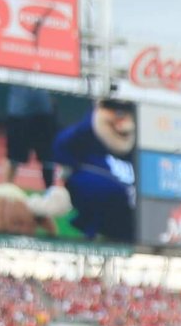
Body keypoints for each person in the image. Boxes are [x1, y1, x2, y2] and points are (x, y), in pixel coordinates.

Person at [52, 98, 137, 242]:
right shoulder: (84, 137)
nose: (120, 118)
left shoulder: (139, 147)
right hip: (99, 227)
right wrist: (59, 188)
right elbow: (63, 149)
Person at [4, 84, 58, 189]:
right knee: (13, 156)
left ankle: (50, 192)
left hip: (44, 110)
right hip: (18, 111)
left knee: (47, 157)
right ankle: (6, 190)